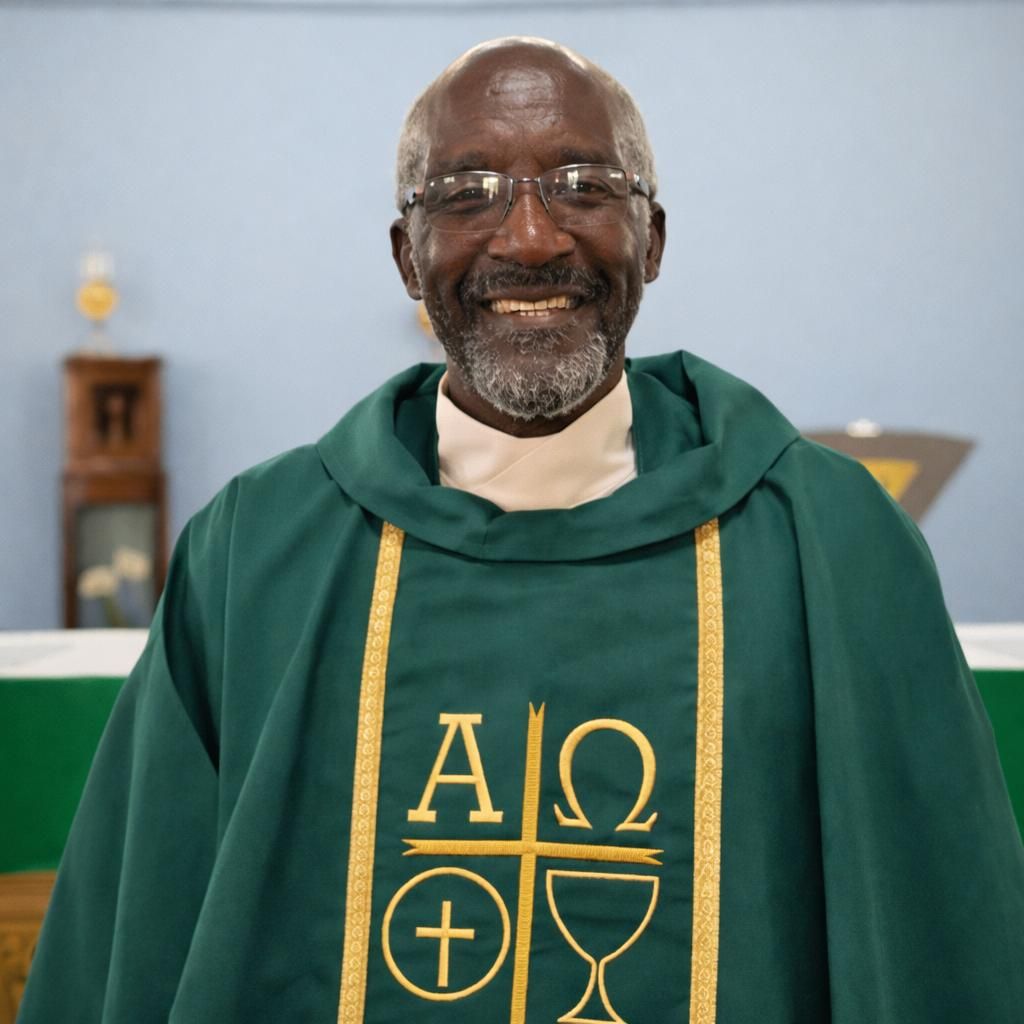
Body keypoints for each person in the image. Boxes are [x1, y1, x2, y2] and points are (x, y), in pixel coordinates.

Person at [19, 37, 1024, 1024]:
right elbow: (134, 938)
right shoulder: (254, 554)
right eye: (467, 194)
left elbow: (939, 942)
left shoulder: (832, 544)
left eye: (583, 184)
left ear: (653, 239)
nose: (530, 237)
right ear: (407, 256)